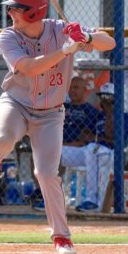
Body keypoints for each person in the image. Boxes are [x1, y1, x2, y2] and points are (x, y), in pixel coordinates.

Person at [0, 0, 115, 254]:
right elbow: (31, 68)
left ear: (33, 13)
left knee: (46, 173)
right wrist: (66, 50)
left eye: (16, 9)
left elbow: (110, 42)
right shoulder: (7, 36)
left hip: (50, 113)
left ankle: (61, 237)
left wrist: (86, 36)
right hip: (17, 103)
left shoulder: (60, 29)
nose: (10, 12)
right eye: (10, 8)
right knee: (4, 138)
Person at [30, 76, 100, 211]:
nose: (72, 91)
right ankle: (42, 192)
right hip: (60, 147)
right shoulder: (61, 108)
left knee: (56, 155)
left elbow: (86, 139)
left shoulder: (91, 111)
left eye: (76, 88)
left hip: (81, 152)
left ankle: (49, 198)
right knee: (36, 153)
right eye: (70, 88)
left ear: (85, 90)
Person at [61, 82, 128, 212]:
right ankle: (52, 197)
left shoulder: (125, 116)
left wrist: (110, 114)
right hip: (92, 152)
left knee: (96, 151)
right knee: (58, 153)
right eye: (102, 97)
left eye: (108, 98)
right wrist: (98, 139)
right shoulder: (98, 115)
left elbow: (113, 139)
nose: (104, 101)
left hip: (111, 153)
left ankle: (96, 201)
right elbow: (84, 135)